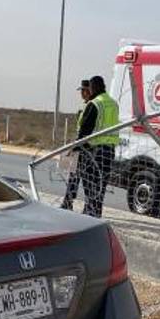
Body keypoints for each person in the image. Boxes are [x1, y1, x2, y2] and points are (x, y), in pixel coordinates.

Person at [77, 75, 120, 218]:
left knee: (90, 183)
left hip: (94, 150)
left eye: (89, 87)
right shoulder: (113, 103)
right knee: (101, 185)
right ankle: (96, 212)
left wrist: (76, 147)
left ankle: (90, 212)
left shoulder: (95, 103)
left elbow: (85, 129)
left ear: (93, 87)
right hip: (110, 150)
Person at [60, 79, 91, 211]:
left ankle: (81, 205)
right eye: (82, 91)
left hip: (85, 147)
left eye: (85, 90)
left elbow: (85, 130)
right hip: (79, 145)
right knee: (73, 177)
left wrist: (75, 147)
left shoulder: (91, 106)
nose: (82, 93)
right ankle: (68, 202)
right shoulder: (84, 106)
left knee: (84, 179)